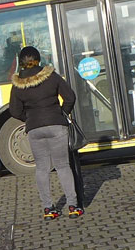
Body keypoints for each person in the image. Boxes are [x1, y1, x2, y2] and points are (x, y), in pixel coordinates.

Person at [6, 45, 81, 219]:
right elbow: (70, 96)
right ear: (38, 59)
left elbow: (14, 111)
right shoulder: (51, 76)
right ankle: (73, 206)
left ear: (21, 63)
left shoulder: (18, 84)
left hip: (34, 129)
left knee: (42, 168)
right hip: (56, 125)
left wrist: (30, 119)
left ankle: (48, 209)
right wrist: (62, 112)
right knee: (62, 166)